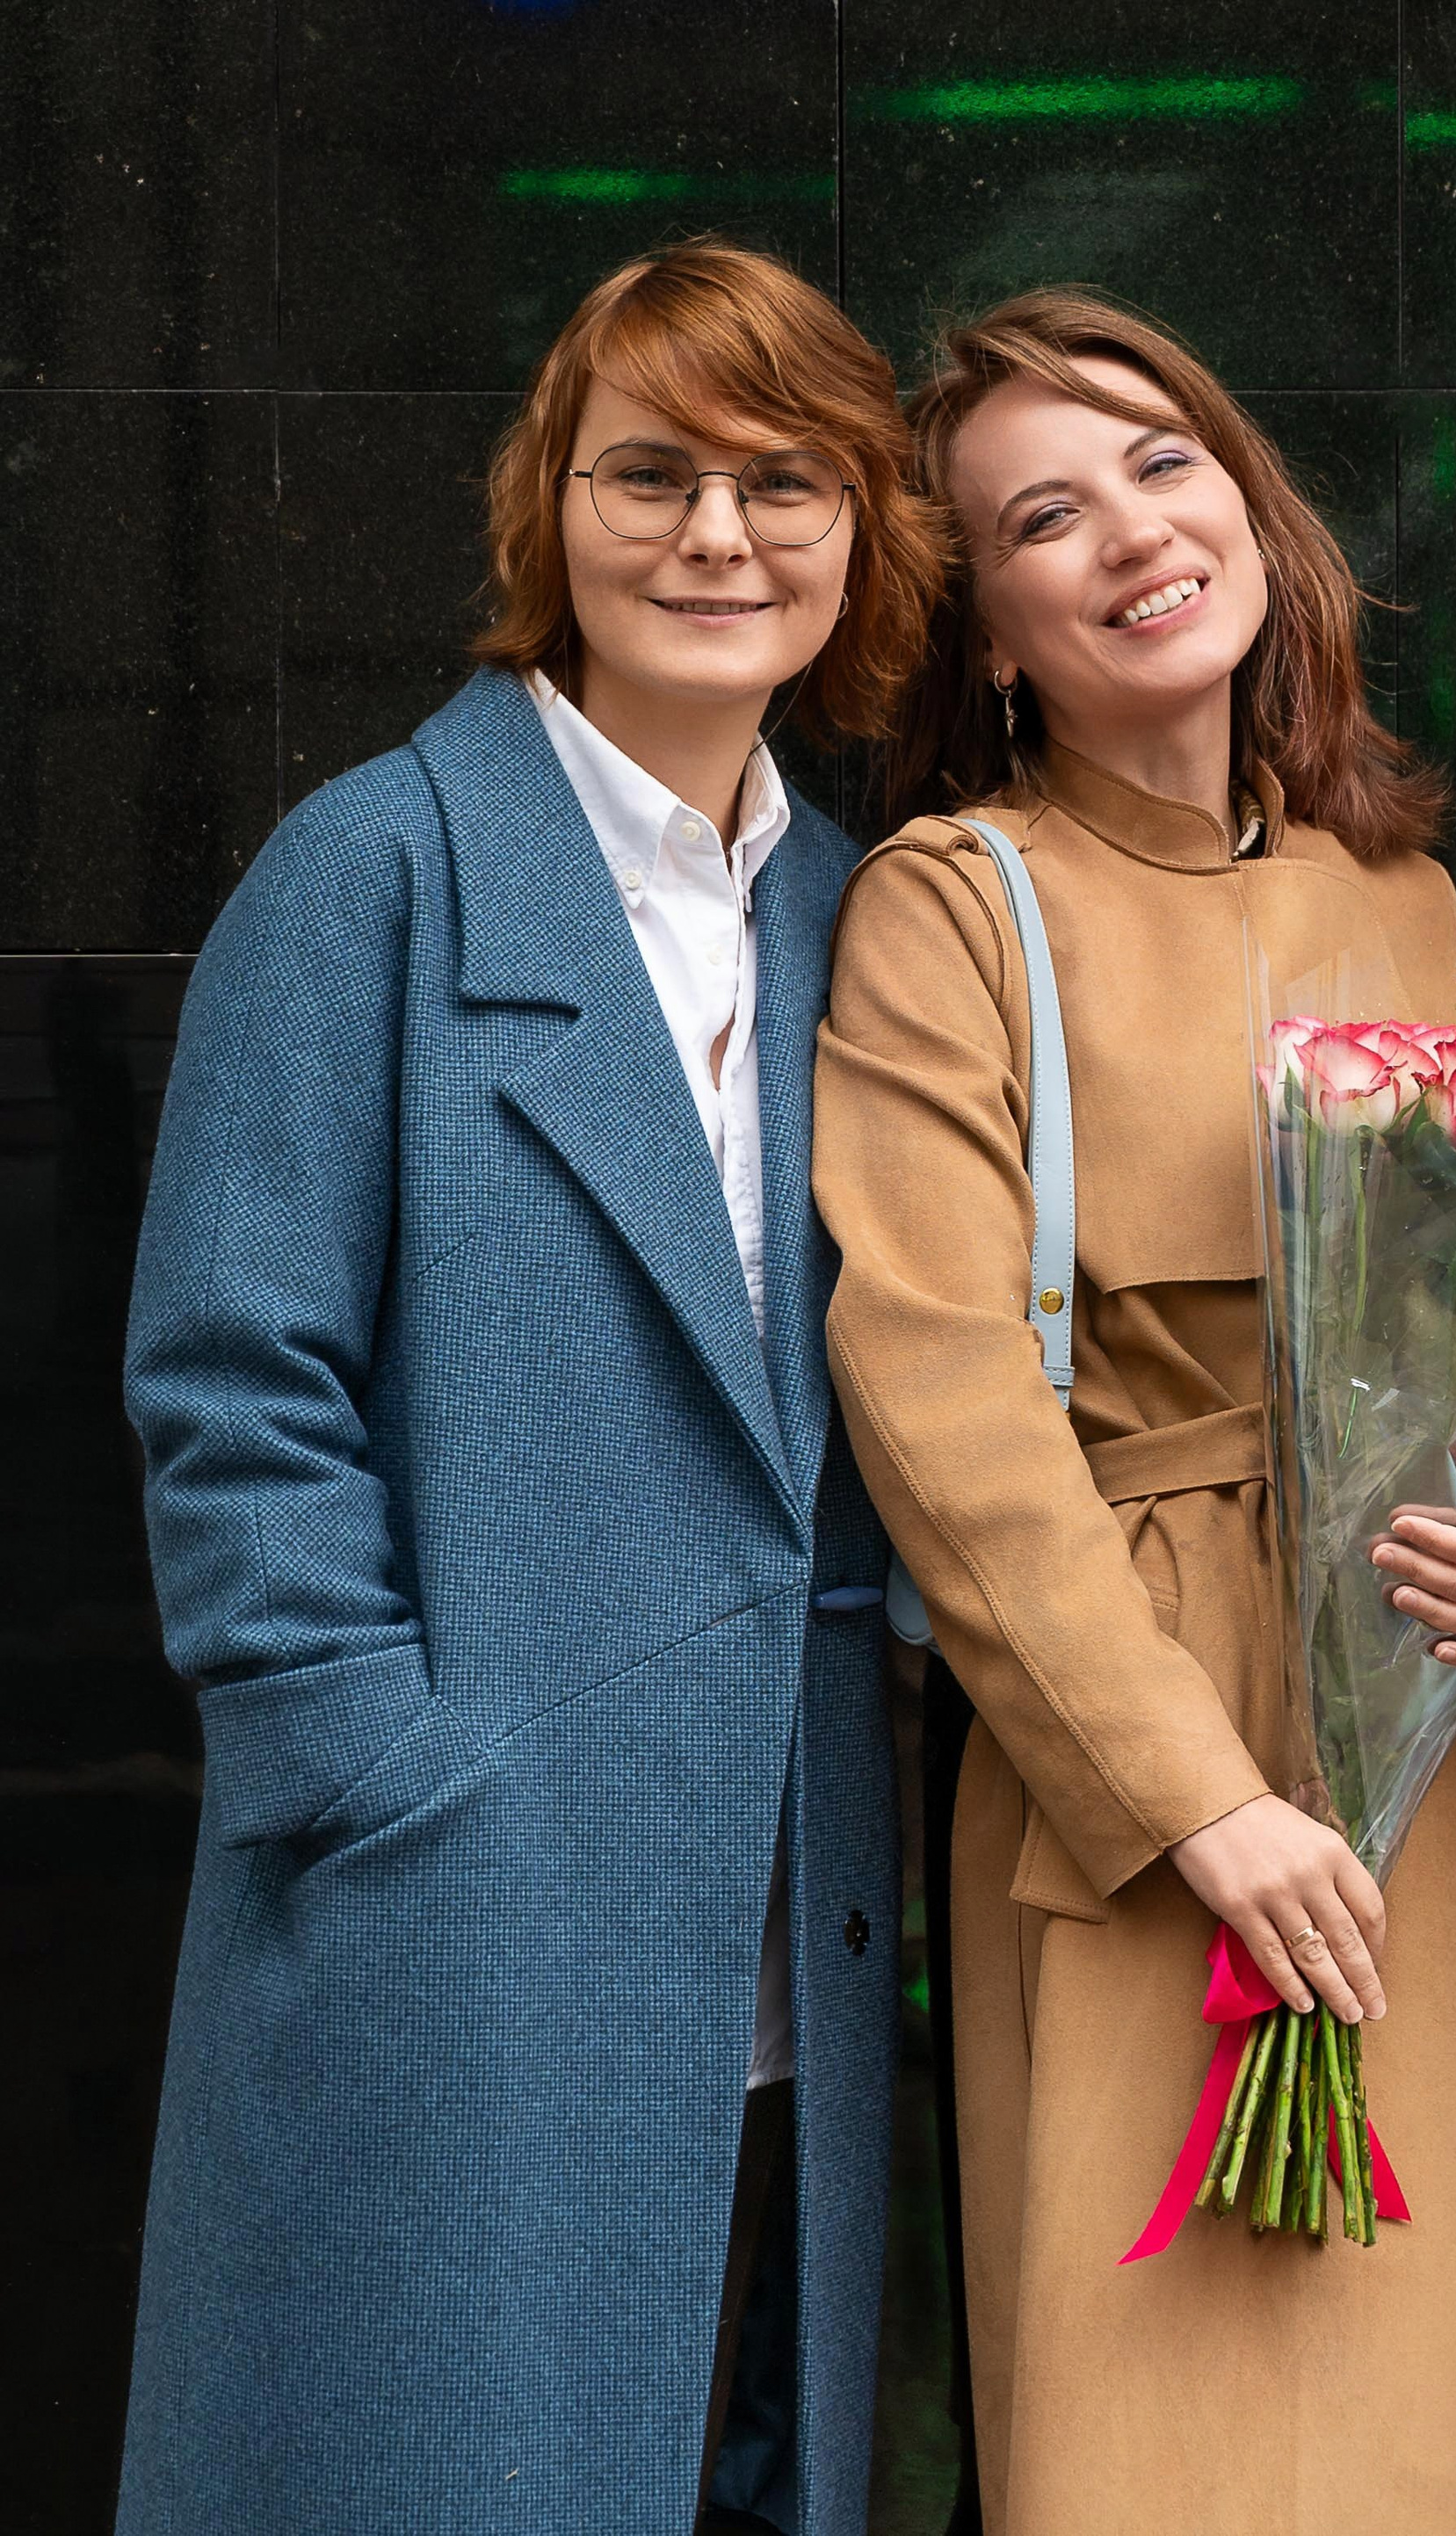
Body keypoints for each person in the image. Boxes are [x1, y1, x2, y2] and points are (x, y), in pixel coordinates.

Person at [811, 290, 1456, 2532]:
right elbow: (941, 1403)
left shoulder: (1404, 889)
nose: (1131, 536)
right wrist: (1197, 1800)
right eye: (1043, 521)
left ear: (1253, 505)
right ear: (987, 636)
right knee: (1178, 2436)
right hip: (1163, 1760)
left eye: (1162, 461)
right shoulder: (952, 908)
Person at [118, 240, 945, 2536]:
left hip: (780, 1917)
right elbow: (233, 1390)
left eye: (784, 483)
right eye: (649, 473)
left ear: (860, 532)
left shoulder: (854, 917)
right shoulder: (375, 872)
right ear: (546, 508)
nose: (715, 535)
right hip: (461, 1896)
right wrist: (386, 1782)